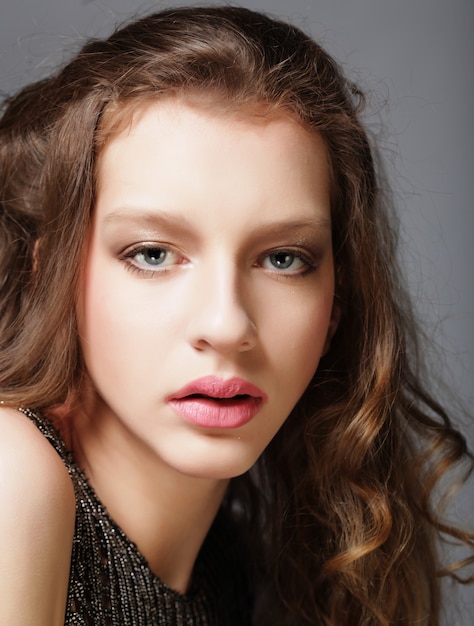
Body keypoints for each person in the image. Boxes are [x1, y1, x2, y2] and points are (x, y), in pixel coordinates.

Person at [0, 5, 472, 625]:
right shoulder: (12, 474)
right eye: (152, 253)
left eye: (282, 259)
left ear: (338, 304)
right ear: (53, 273)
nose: (226, 325)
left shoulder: (240, 567)